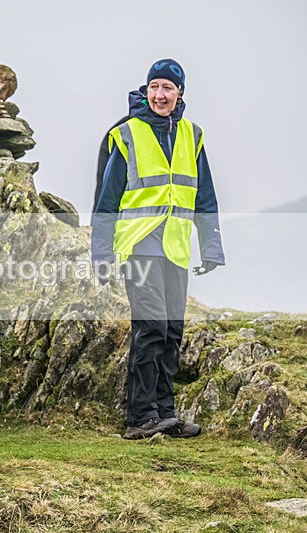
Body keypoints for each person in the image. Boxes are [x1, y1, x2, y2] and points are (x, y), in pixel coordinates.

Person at [91, 59, 225, 440]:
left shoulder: (193, 136)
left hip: (176, 248)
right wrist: (101, 255)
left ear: (180, 93)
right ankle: (140, 416)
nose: (159, 95)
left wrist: (211, 247)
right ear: (146, 90)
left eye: (167, 88)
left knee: (171, 331)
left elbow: (205, 197)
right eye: (154, 87)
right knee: (150, 328)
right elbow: (106, 201)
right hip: (138, 245)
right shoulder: (127, 135)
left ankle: (165, 413)